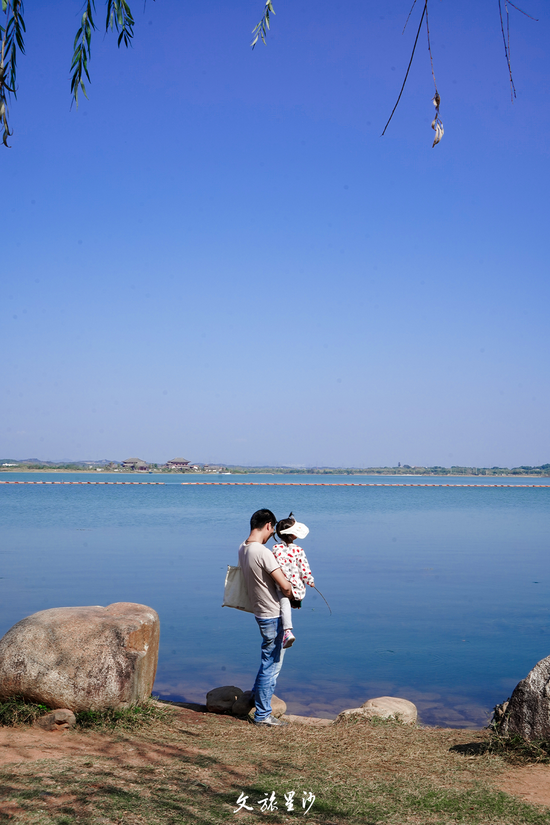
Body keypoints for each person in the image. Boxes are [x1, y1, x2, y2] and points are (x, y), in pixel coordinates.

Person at [238, 508, 293, 727]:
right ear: (268, 525)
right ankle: (262, 715)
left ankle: (255, 698)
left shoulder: (243, 547)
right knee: (272, 665)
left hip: (259, 611)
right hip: (272, 613)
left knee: (267, 659)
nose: (272, 535)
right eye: (272, 530)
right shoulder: (262, 552)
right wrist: (293, 594)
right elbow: (285, 585)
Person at [272, 513, 315, 649]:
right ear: (292, 535)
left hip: (282, 585)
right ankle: (295, 605)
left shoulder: (276, 548)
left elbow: (275, 567)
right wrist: (310, 580)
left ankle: (287, 631)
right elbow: (304, 568)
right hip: (297, 586)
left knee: (284, 602)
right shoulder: (298, 550)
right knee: (293, 599)